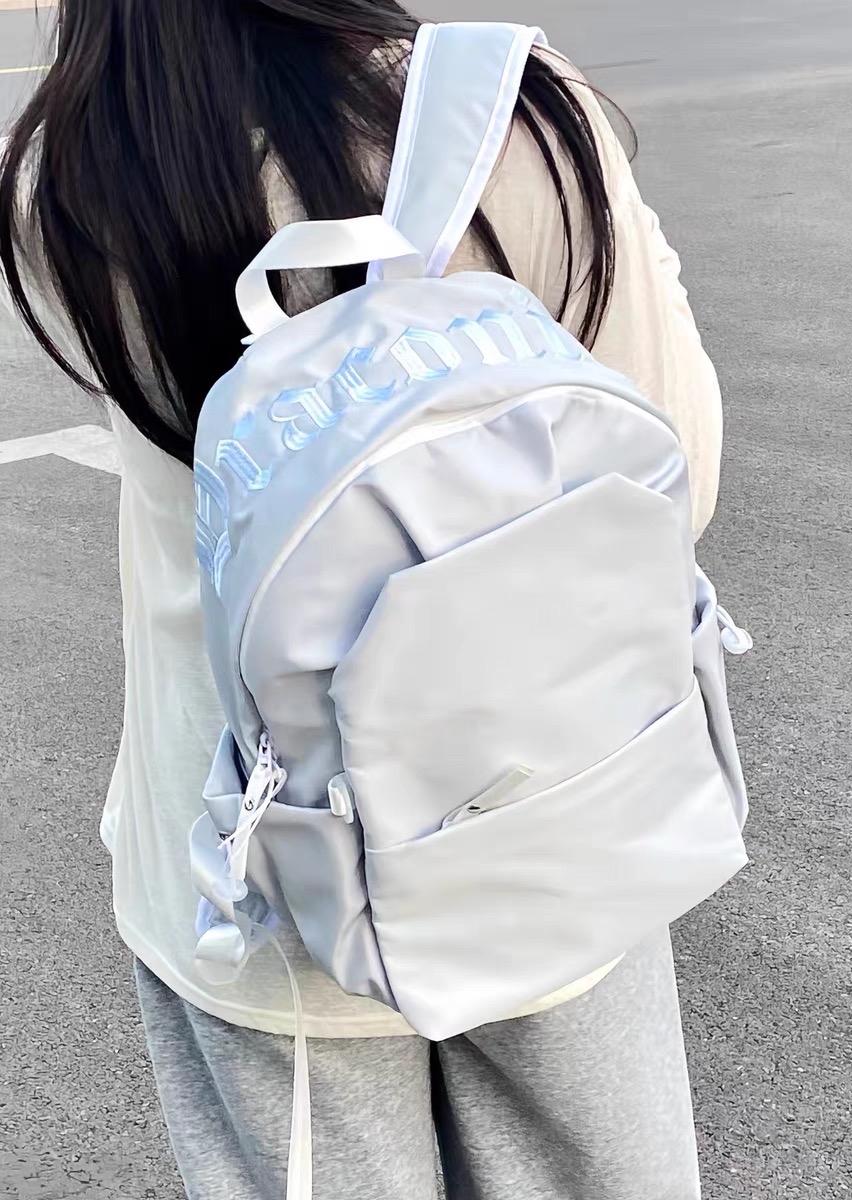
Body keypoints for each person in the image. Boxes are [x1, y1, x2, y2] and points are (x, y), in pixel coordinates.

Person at [0, 3, 725, 1198]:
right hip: (547, 811)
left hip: (249, 868)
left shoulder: (75, 171)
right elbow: (675, 475)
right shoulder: (515, 112)